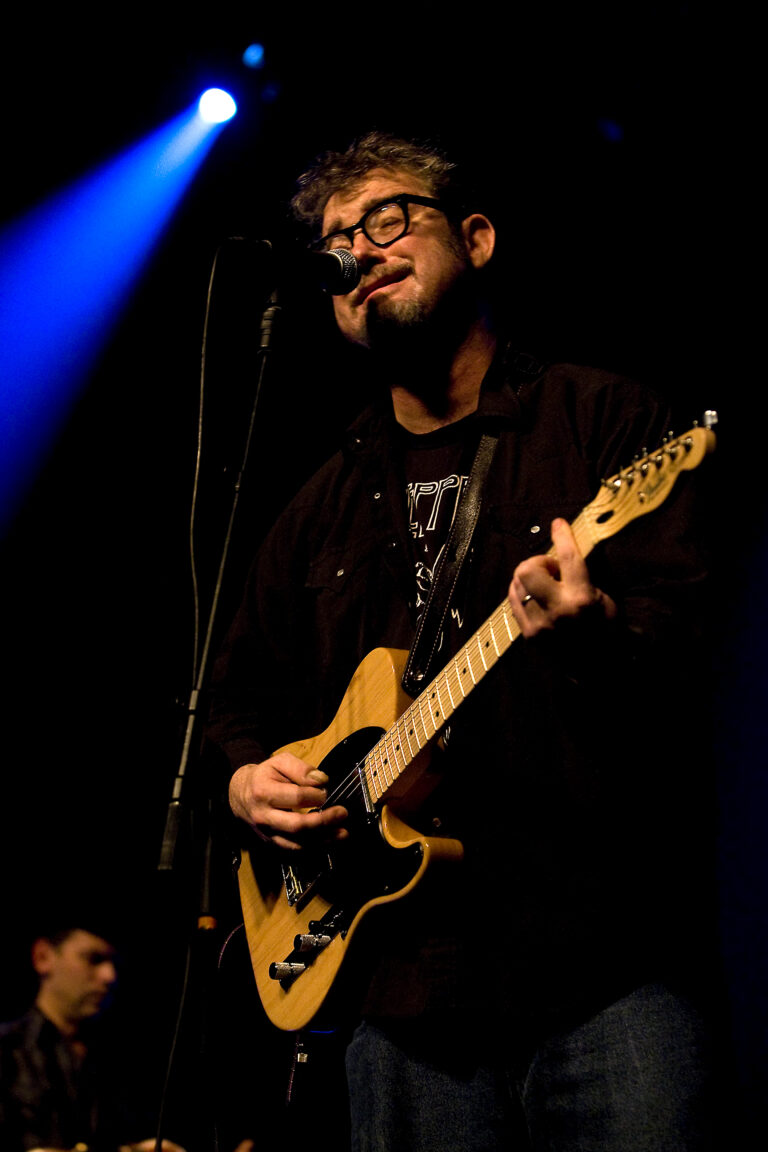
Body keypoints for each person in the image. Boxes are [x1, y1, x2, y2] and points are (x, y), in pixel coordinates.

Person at [205, 131, 720, 1150]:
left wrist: (599, 629)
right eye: (335, 239)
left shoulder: (606, 420)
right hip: (401, 1004)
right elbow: (235, 700)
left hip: (600, 971)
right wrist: (243, 784)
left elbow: (694, 659)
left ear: (476, 238)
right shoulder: (323, 498)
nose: (359, 248)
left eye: (389, 218)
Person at [0, 915, 186, 1152]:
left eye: (114, 964)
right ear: (43, 957)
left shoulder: (123, 1057)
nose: (110, 976)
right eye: (93, 959)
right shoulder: (7, 1049)